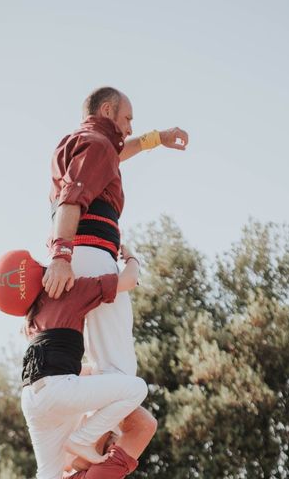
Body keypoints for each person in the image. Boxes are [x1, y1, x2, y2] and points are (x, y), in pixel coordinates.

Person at [43, 86, 189, 460]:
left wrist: (158, 138)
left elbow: (124, 150)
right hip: (89, 254)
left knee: (102, 364)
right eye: (126, 119)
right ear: (107, 110)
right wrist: (62, 253)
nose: (128, 128)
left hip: (81, 255)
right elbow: (72, 198)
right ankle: (83, 440)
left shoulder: (85, 143)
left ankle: (85, 440)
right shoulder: (97, 144)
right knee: (121, 369)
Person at [0, 246, 147, 479]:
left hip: (33, 399)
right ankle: (82, 440)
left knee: (48, 473)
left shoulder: (31, 318)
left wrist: (94, 374)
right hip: (58, 390)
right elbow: (129, 280)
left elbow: (50, 370)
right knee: (137, 388)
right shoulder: (71, 290)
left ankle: (80, 440)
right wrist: (131, 257)